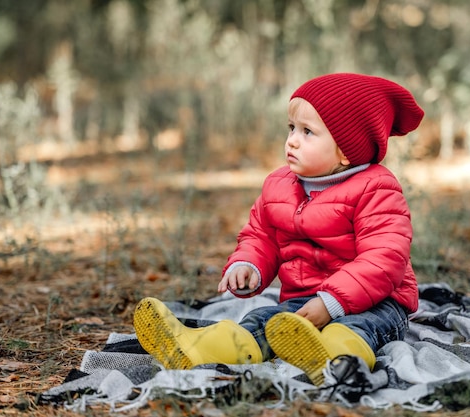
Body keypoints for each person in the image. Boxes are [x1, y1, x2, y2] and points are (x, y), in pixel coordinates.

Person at [133, 73, 424, 386]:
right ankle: (197, 348)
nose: (292, 140)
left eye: (308, 132)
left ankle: (337, 360)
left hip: (376, 301)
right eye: (291, 128)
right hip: (303, 299)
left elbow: (385, 259)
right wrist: (249, 266)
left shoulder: (376, 188)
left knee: (358, 327)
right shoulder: (279, 185)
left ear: (346, 149)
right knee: (262, 323)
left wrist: (331, 304)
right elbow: (261, 236)